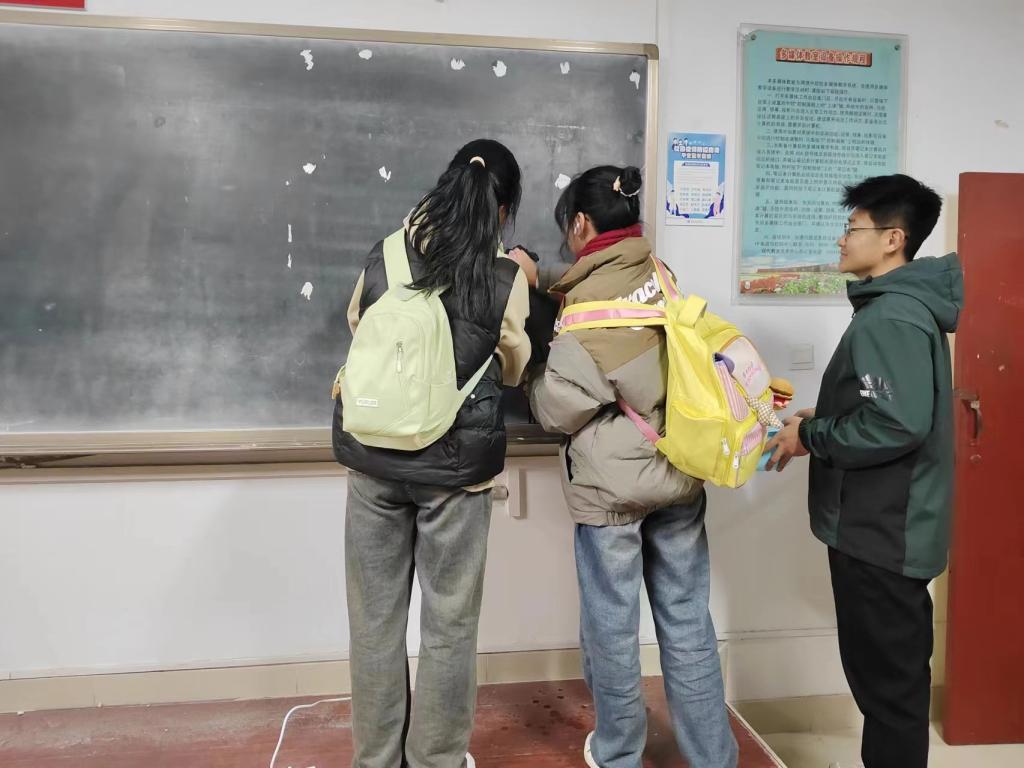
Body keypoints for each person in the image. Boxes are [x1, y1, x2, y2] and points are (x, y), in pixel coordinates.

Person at [528, 165, 738, 768]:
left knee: (613, 628)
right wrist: (542, 280)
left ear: (580, 223)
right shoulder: (659, 275)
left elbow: (557, 409)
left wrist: (534, 372)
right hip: (678, 471)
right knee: (688, 622)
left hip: (612, 493)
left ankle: (619, 753)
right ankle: (713, 757)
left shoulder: (587, 312)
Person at [332, 139, 532, 768]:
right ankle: (436, 761)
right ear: (504, 210)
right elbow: (513, 366)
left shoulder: (385, 254)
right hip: (454, 473)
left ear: (445, 186)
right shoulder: (504, 277)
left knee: (374, 624)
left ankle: (376, 760)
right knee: (449, 626)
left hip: (373, 462)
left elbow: (360, 330)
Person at [765, 174, 963, 768]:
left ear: (893, 239)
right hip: (885, 528)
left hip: (881, 533)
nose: (842, 239)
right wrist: (821, 416)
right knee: (889, 687)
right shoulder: (898, 308)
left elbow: (898, 425)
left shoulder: (891, 316)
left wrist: (812, 437)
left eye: (853, 228)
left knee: (890, 695)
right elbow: (891, 407)